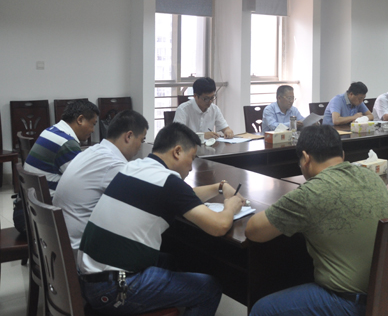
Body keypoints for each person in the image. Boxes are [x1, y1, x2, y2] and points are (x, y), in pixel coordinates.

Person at [78, 123, 245, 316]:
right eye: (191, 158)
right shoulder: (168, 181)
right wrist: (231, 206)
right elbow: (219, 226)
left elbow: (184, 196)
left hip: (89, 280)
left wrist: (219, 187)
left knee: (171, 260)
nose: (191, 168)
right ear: (177, 152)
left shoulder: (133, 167)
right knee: (209, 289)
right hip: (115, 289)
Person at [244, 125, 388, 316]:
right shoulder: (372, 177)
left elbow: (253, 231)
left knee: (262, 309)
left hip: (355, 303)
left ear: (305, 158)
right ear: (342, 154)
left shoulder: (311, 192)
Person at [53, 110, 149, 252]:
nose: (140, 146)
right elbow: (142, 202)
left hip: (62, 243)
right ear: (129, 136)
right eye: (142, 140)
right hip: (80, 251)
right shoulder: (113, 164)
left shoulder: (92, 151)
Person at [24, 100, 99, 194]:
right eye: (93, 124)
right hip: (49, 199)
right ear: (80, 120)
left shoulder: (51, 130)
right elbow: (84, 180)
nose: (93, 130)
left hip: (35, 197)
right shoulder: (66, 142)